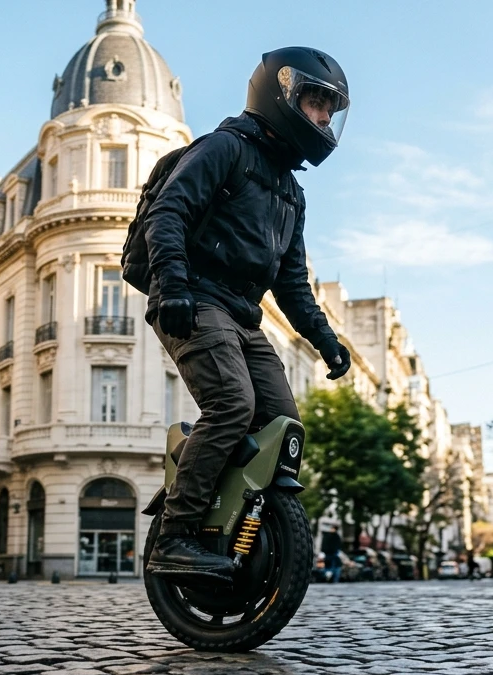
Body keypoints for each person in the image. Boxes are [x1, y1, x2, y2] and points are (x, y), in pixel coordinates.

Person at [142, 48, 352, 582]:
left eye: (331, 109)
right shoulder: (223, 148)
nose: (324, 118)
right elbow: (168, 213)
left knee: (284, 423)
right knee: (233, 403)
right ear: (280, 96)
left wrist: (326, 340)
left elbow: (292, 282)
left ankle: (237, 530)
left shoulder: (292, 192)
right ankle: (175, 535)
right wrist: (170, 285)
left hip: (242, 314)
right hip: (193, 297)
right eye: (316, 103)